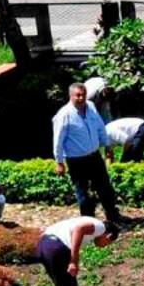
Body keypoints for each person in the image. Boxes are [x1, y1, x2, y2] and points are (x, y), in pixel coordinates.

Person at [52, 82, 125, 222]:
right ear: (70, 96)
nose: (81, 98)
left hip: (94, 156)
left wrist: (107, 145)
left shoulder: (91, 107)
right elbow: (58, 140)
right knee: (83, 192)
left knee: (105, 187)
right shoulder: (63, 115)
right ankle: (88, 222)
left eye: (83, 95)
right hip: (76, 160)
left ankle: (113, 215)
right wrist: (59, 162)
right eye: (77, 95)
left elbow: (100, 127)